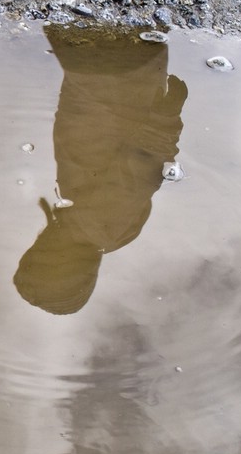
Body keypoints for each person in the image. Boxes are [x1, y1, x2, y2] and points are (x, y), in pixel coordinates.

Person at [14, 25, 187, 314]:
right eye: (43, 255)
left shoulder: (83, 223)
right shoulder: (101, 224)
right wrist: (166, 117)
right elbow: (146, 162)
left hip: (101, 76)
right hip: (116, 73)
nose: (37, 241)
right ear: (66, 262)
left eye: (33, 252)